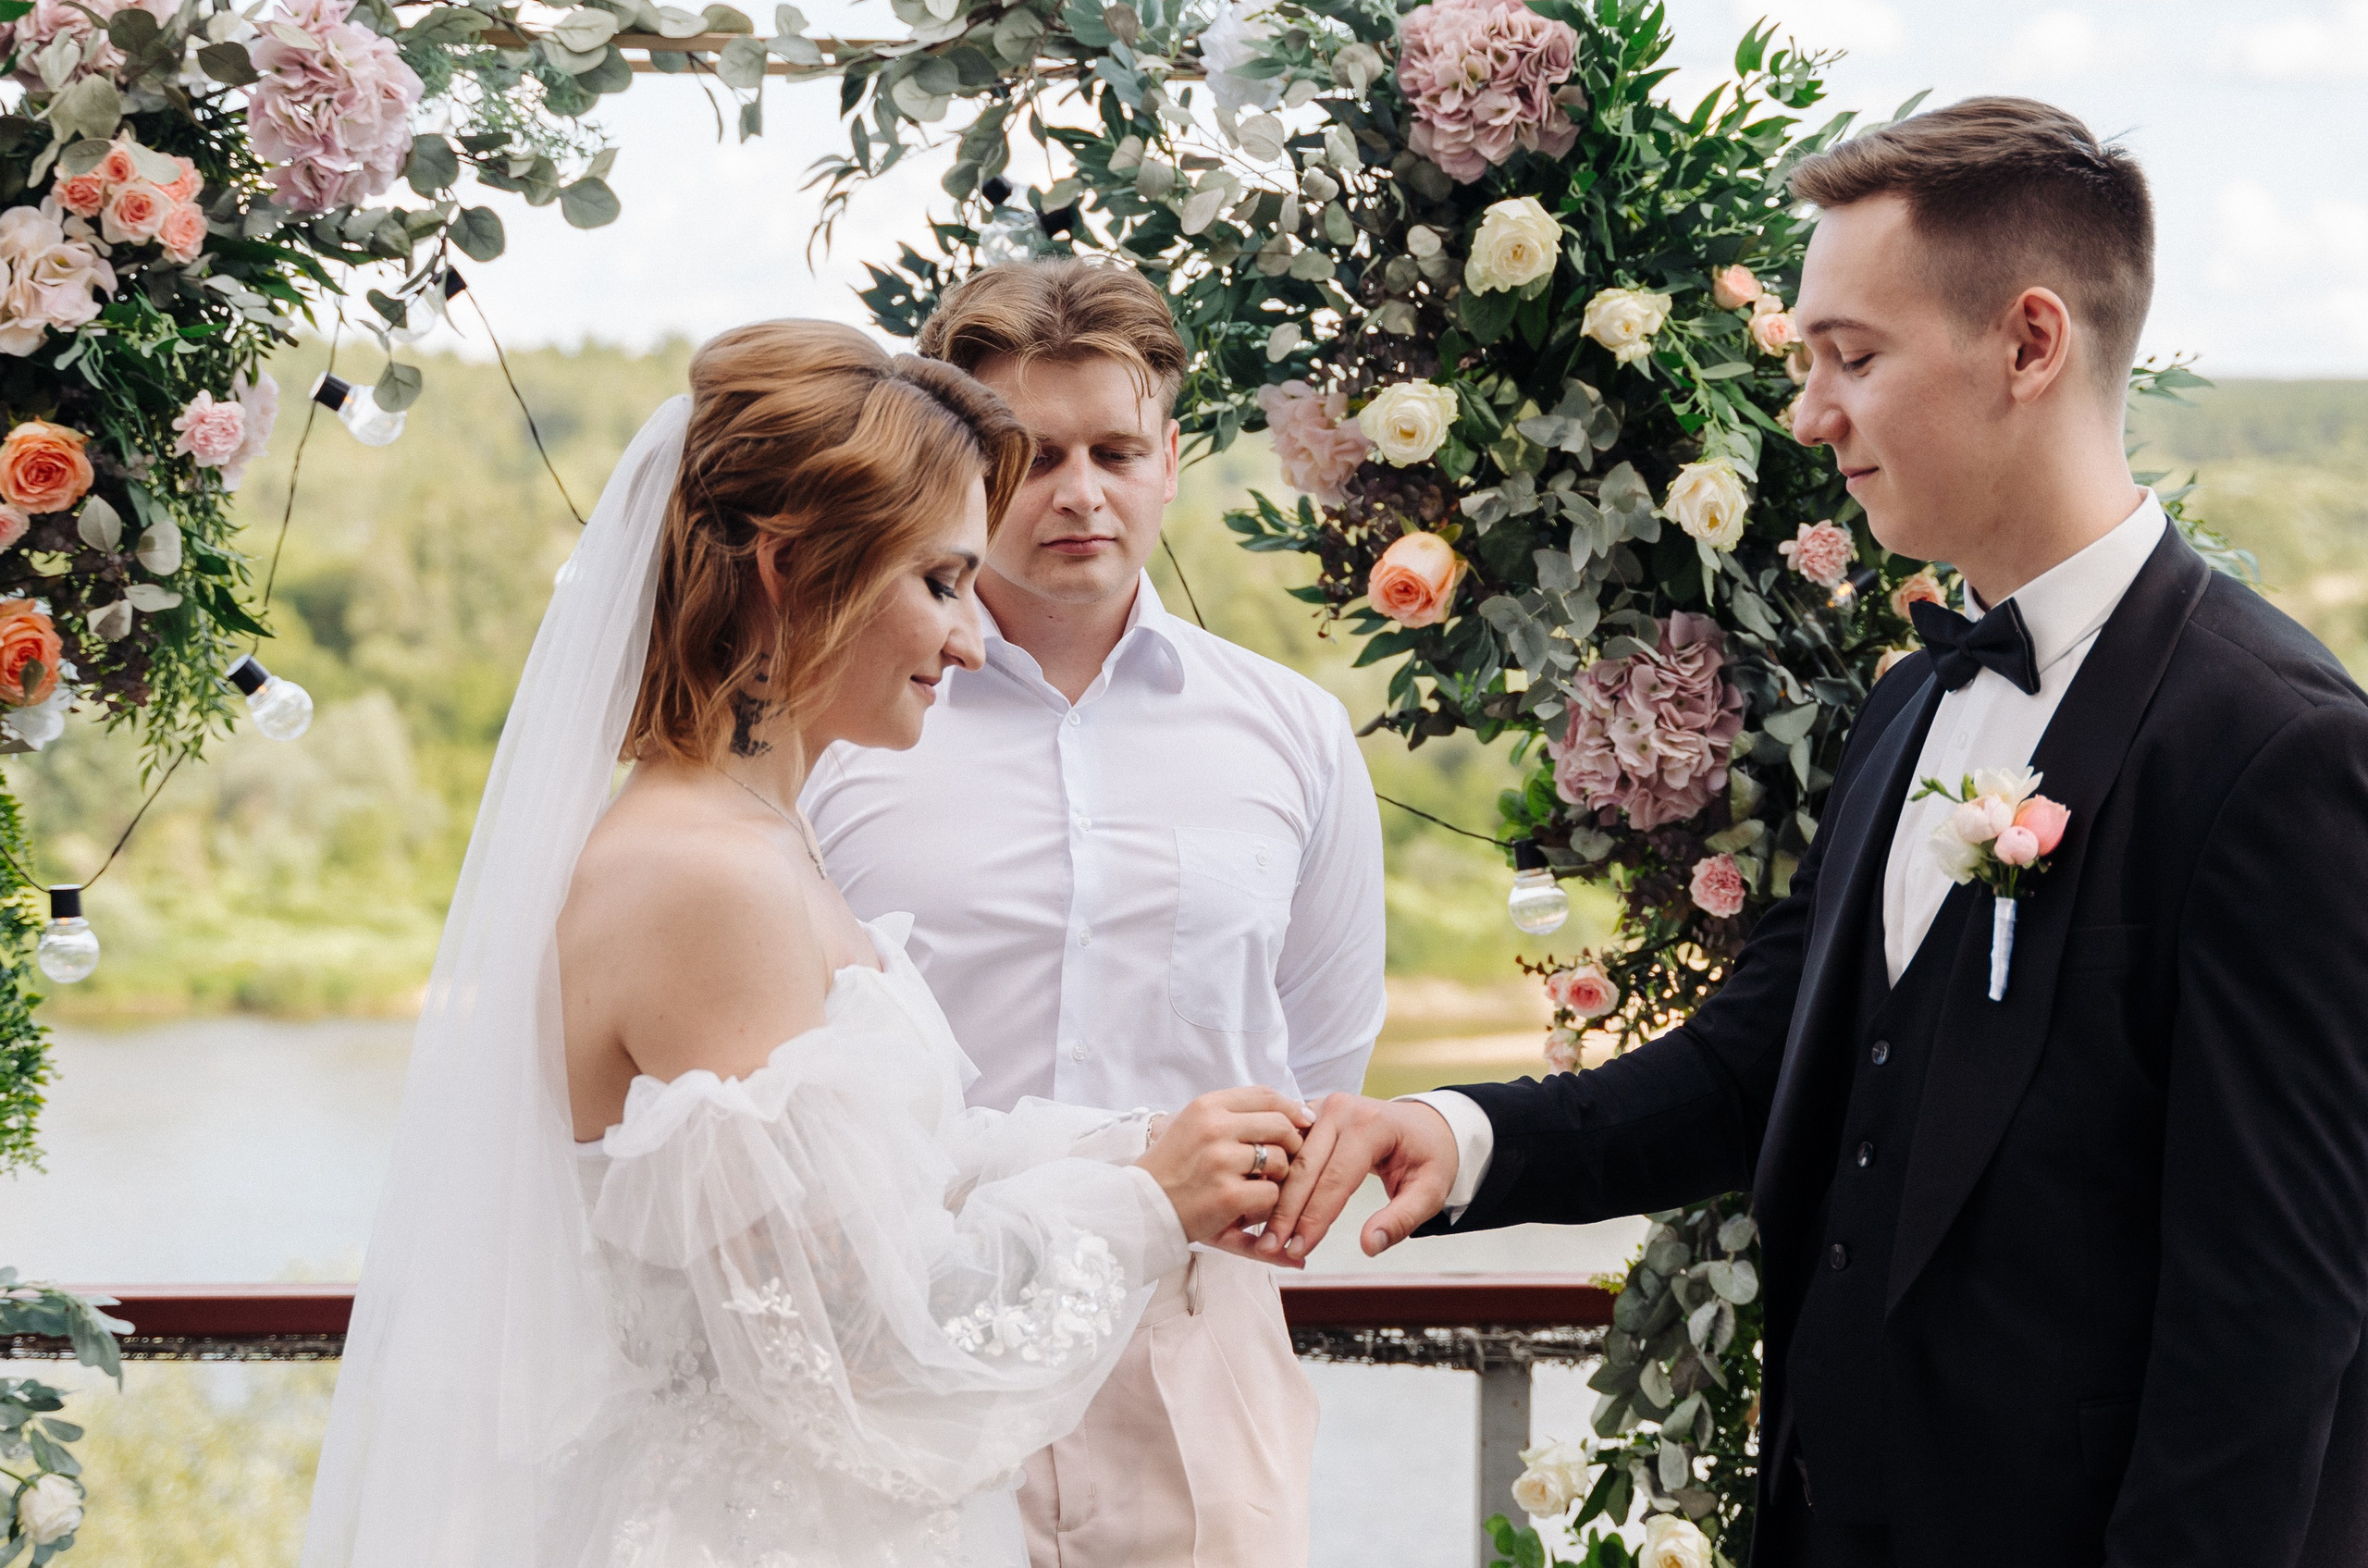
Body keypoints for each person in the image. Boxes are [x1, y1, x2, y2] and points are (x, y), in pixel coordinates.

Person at [1259, 97, 2368, 1567]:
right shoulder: (1914, 701)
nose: (1808, 413)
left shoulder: (2280, 748)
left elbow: (2272, 1323)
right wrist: (1456, 1137)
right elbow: (1759, 1062)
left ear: (2032, 344)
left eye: (1853, 356)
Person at [301, 320, 1312, 1568]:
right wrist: (1150, 1205)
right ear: (792, 568)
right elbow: (857, 1342)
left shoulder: (756, 840)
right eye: (939, 582)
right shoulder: (704, 879)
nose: (970, 639)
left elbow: (877, 1180)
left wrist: (1132, 1145)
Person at [801, 258, 1387, 1568]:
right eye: (1036, 454)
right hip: (905, 1346)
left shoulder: (1292, 734)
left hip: (1192, 1356)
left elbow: (1324, 1053)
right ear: (962, 468)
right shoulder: (843, 728)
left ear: (1170, 457)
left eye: (1116, 450)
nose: (1080, 492)